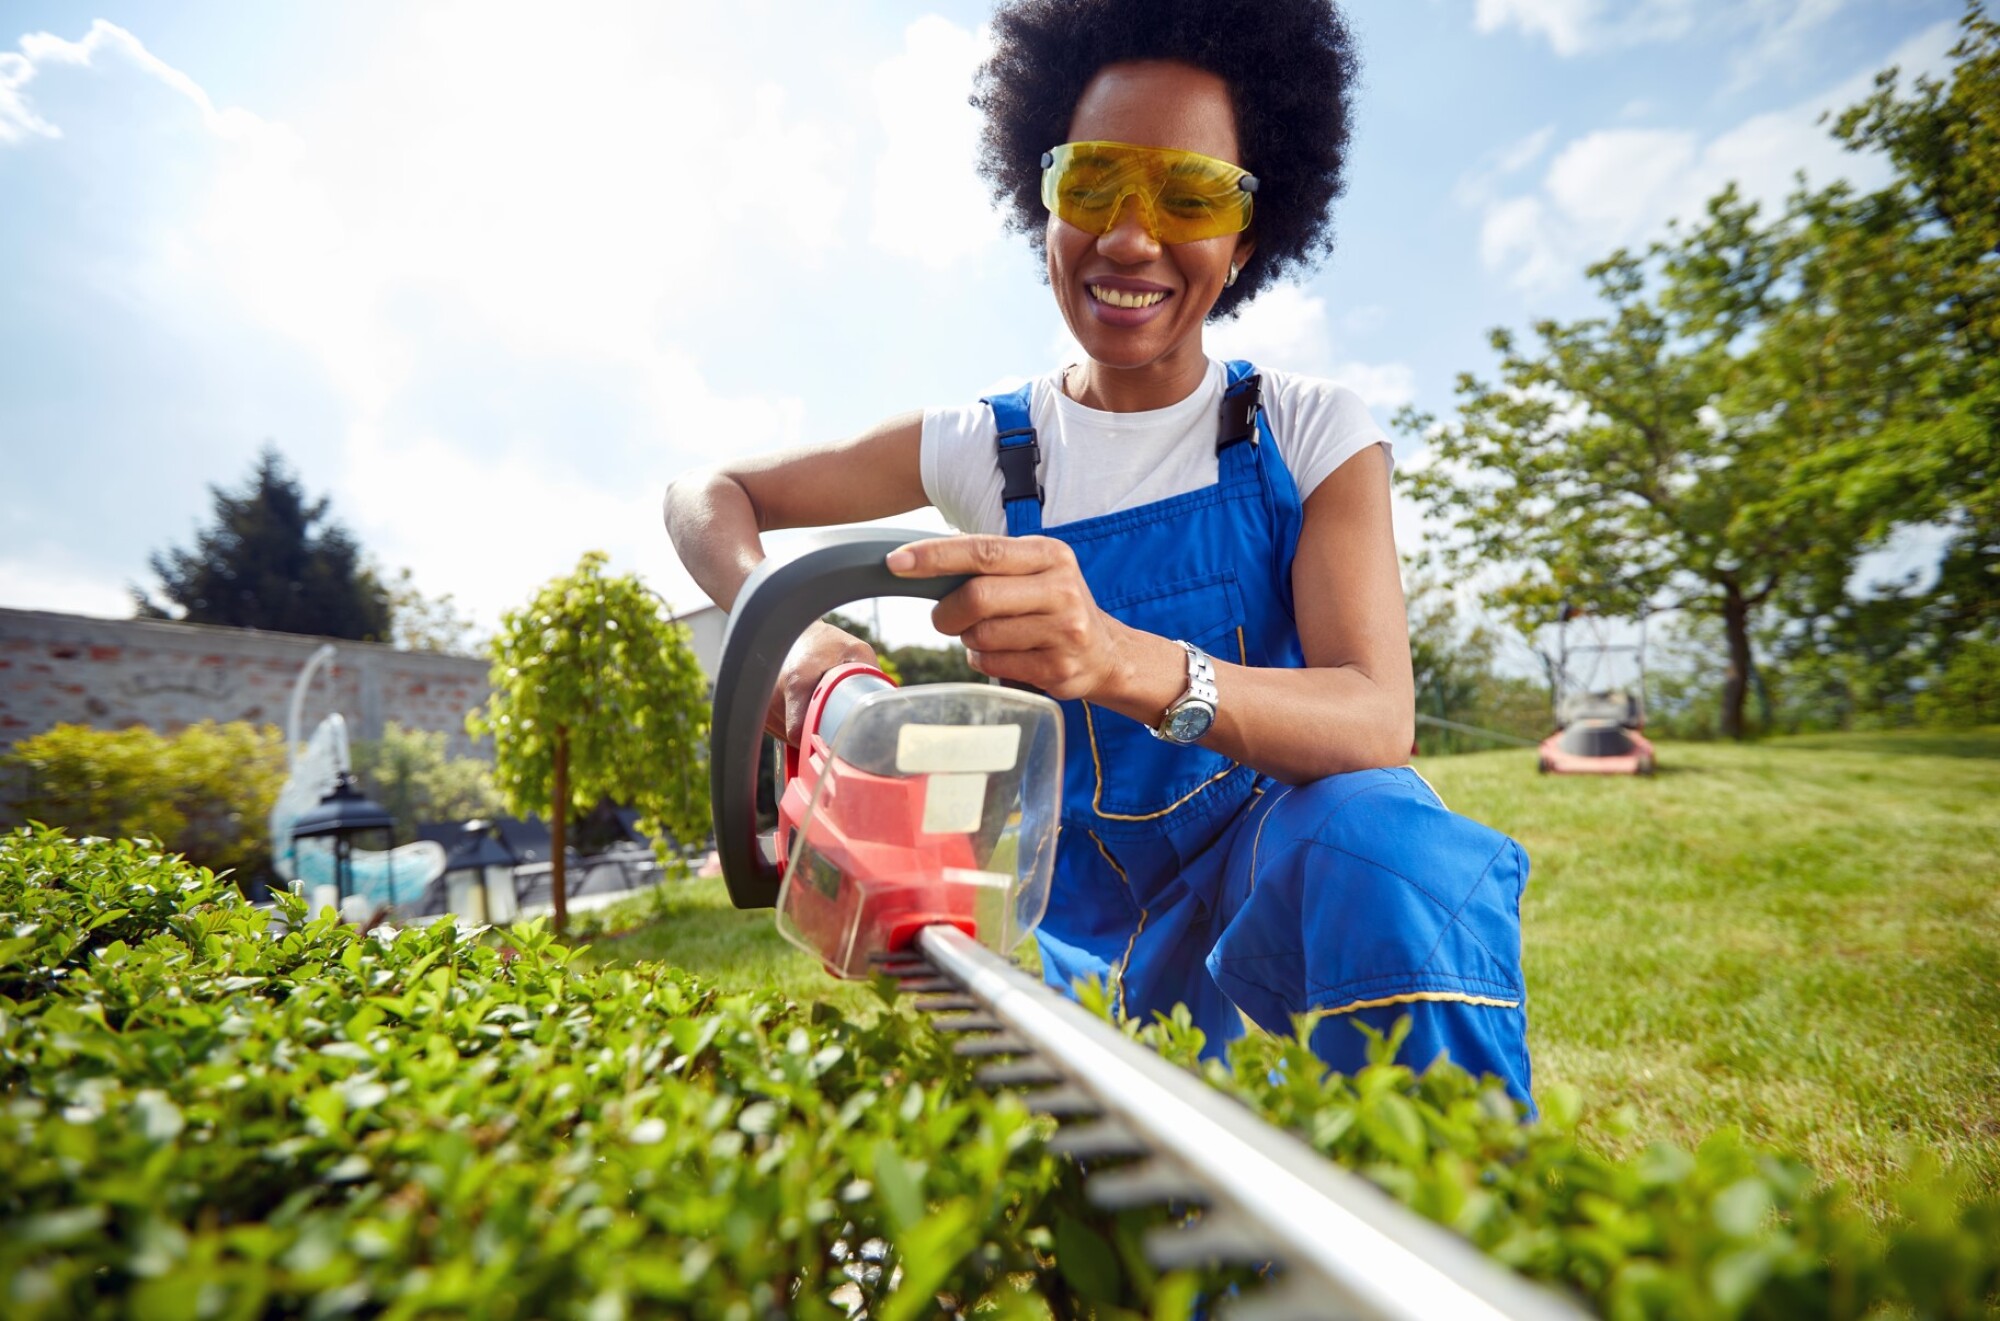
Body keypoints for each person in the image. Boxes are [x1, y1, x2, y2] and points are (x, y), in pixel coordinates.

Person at [666, 0, 1534, 1108]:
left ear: (1247, 237)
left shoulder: (1308, 431)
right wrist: (788, 632)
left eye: (1190, 197)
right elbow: (704, 493)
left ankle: (1460, 1177)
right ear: (1043, 202)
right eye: (1093, 184)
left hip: (1289, 897)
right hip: (1095, 938)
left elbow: (1374, 717)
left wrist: (1121, 658)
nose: (1129, 238)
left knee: (1383, 843)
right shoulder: (987, 445)